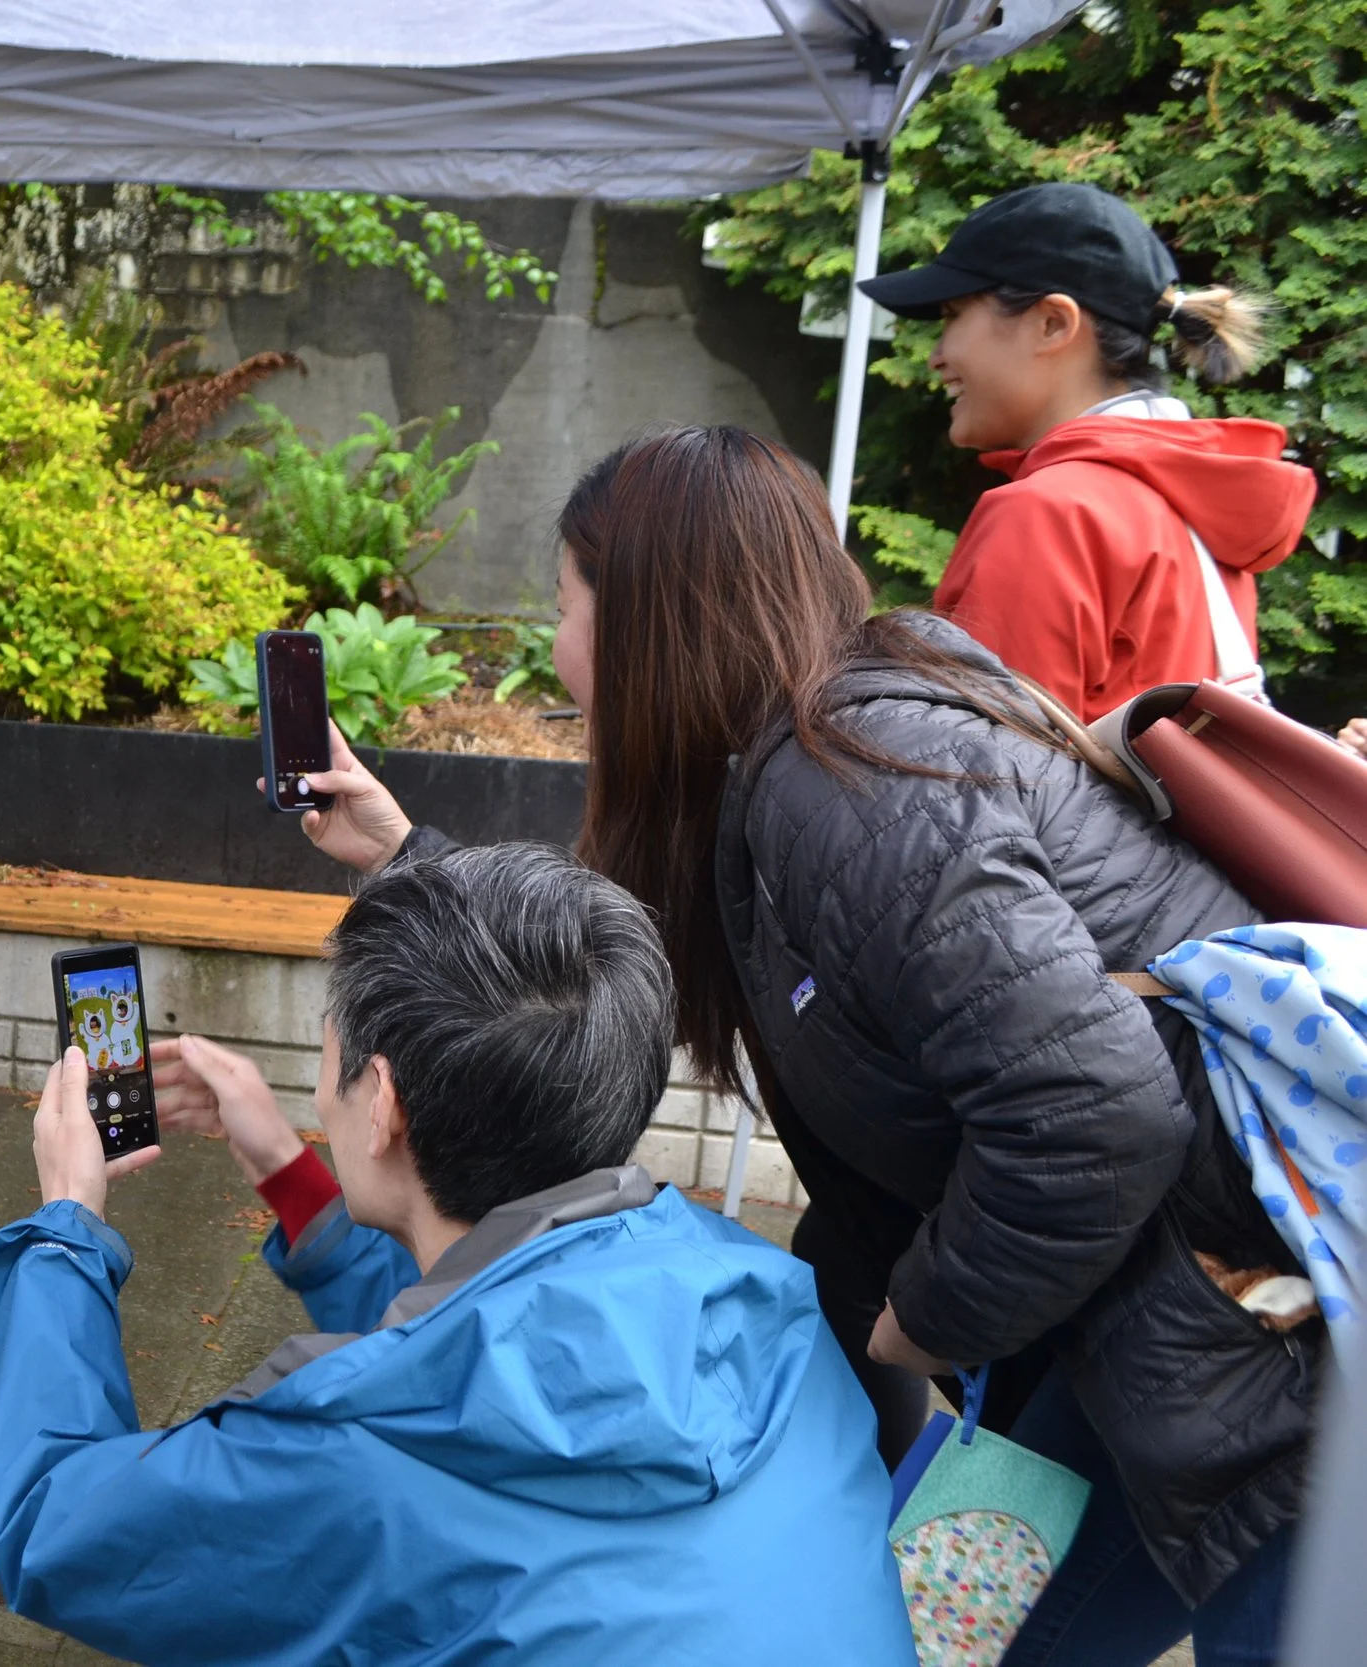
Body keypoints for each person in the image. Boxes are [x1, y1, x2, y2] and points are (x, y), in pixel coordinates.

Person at [297, 427, 1317, 1665]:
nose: (556, 650)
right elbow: (596, 977)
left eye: (562, 607)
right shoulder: (795, 763)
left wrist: (922, 1318)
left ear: (645, 623)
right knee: (939, 1636)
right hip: (1140, 1332)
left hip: (1283, 1361)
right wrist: (407, 854)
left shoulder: (854, 787)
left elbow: (1096, 1108)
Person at [0, 842, 917, 1666]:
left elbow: (56, 1524)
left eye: (327, 1060)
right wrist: (289, 1171)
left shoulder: (351, 1456)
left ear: (381, 1102)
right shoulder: (768, 1301)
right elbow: (490, 1336)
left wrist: (66, 1224)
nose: (322, 1094)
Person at [856, 182, 1314, 721]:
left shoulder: (1049, 514)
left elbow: (984, 766)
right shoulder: (1190, 502)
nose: (936, 355)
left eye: (952, 315)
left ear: (1053, 323)